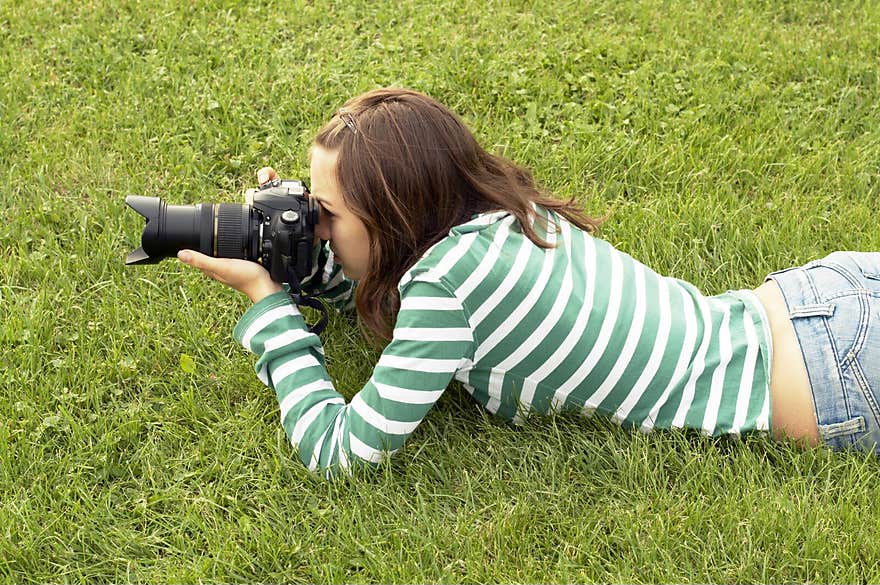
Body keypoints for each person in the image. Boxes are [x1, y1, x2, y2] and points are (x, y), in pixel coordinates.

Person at [176, 87, 880, 478]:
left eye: (324, 215)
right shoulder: (487, 209)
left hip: (835, 378)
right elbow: (377, 268)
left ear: (393, 220)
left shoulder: (446, 296)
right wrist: (300, 250)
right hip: (815, 299)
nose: (317, 226)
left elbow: (339, 451)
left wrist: (270, 306)